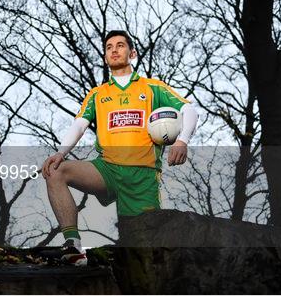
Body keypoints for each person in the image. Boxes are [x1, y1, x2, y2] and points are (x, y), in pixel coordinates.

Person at [40, 30, 198, 266]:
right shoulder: (97, 94)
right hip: (108, 170)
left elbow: (189, 110)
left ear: (131, 53)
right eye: (109, 47)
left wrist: (182, 140)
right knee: (56, 171)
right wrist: (60, 153)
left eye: (120, 45)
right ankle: (73, 247)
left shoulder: (152, 88)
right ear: (105, 57)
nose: (114, 50)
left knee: (142, 252)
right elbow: (79, 125)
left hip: (142, 176)